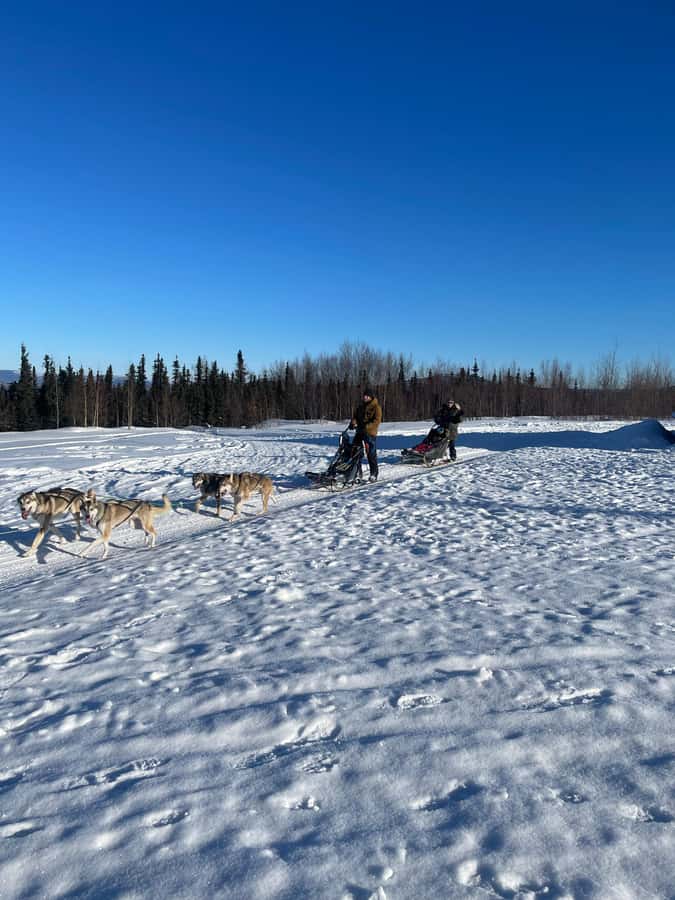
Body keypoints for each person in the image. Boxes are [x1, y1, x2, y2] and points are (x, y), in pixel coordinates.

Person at [349, 387, 382, 482]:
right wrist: (353, 423)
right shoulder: (361, 406)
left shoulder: (376, 407)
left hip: (369, 433)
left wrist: (366, 427)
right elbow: (355, 416)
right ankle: (358, 473)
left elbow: (377, 421)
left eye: (367, 396)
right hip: (359, 432)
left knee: (371, 453)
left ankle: (374, 474)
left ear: (371, 397)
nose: (365, 397)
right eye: (364, 396)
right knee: (356, 452)